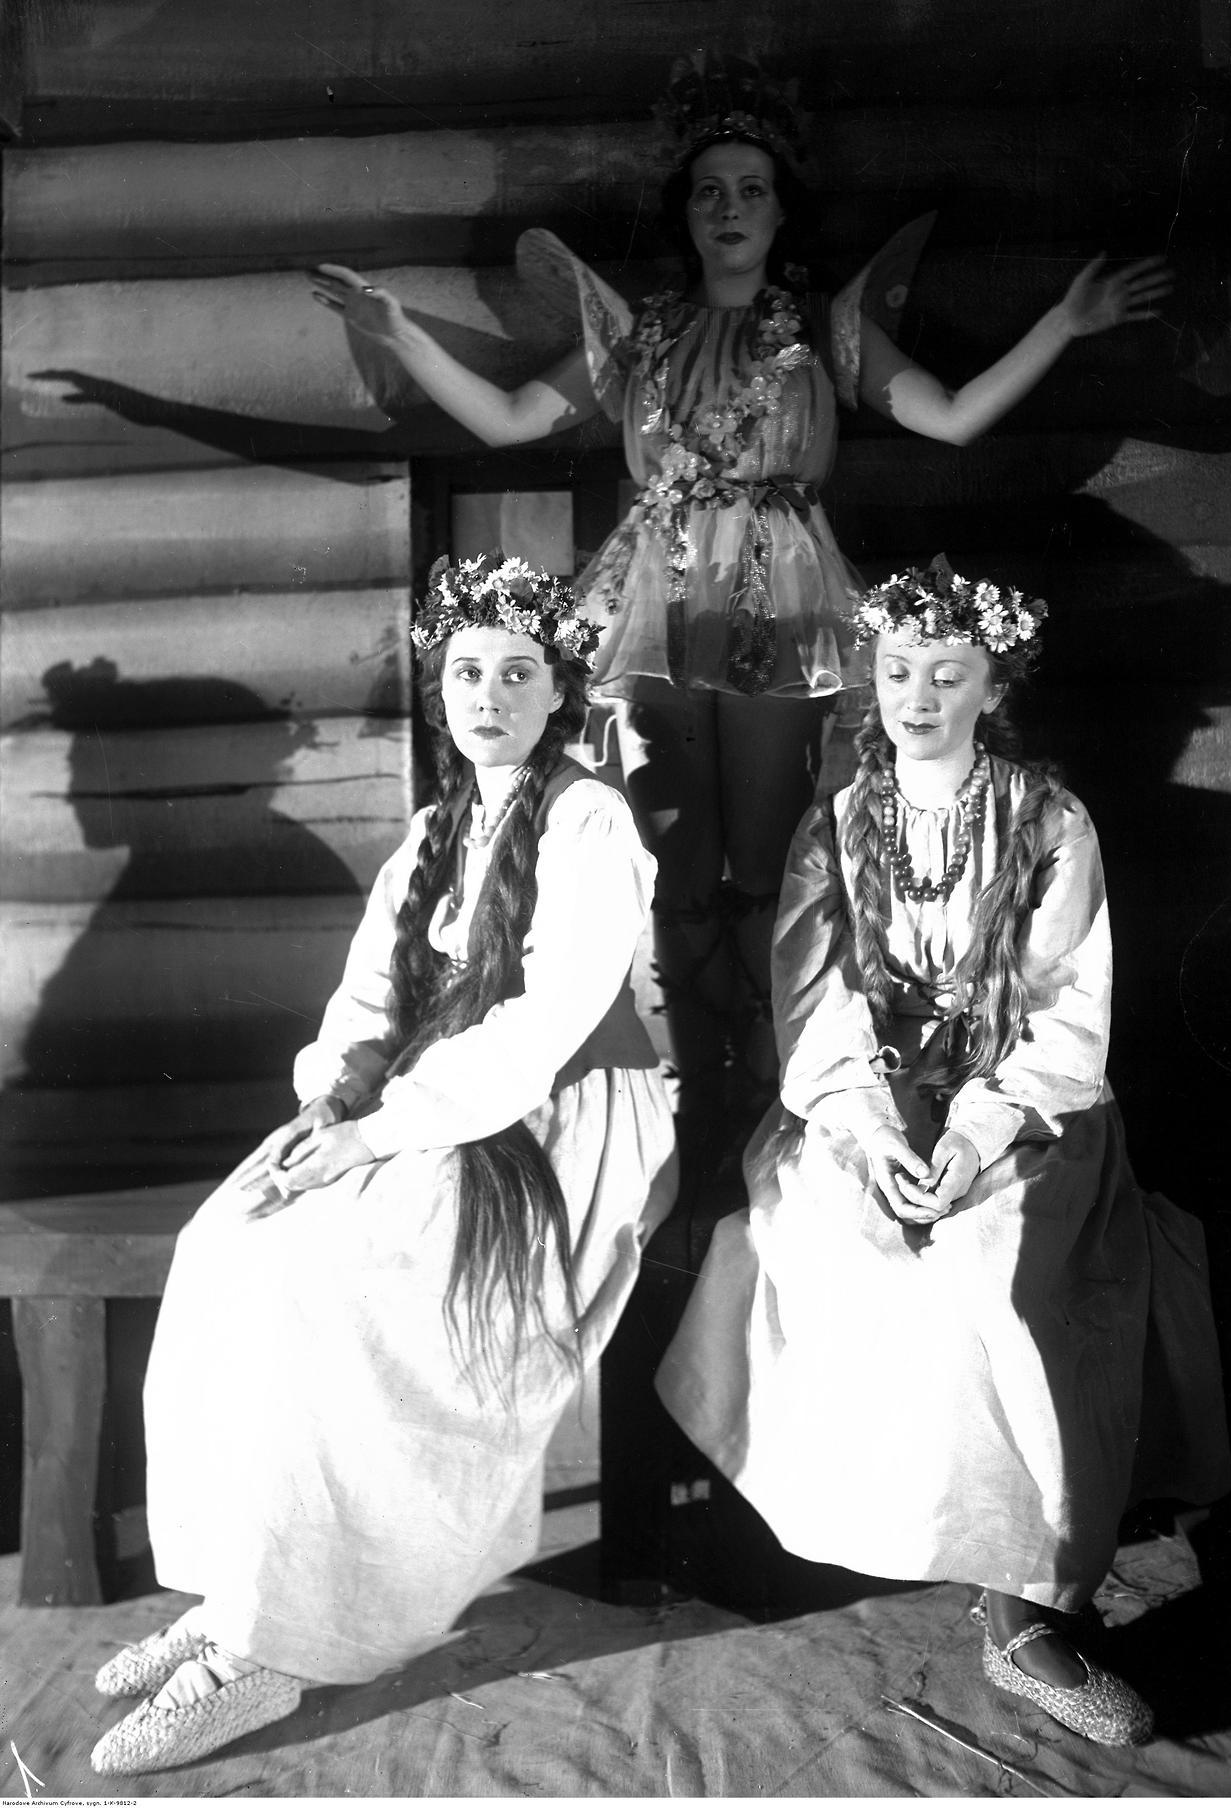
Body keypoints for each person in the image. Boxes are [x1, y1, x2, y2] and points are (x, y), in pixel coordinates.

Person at [308, 50, 1173, 1139]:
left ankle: (776, 1106)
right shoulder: (641, 334)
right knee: (666, 854)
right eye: (708, 190)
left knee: (764, 860)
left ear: (778, 210)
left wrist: (1062, 323)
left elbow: (948, 416)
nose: (728, 209)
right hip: (649, 603)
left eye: (749, 189)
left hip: (784, 602)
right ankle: (684, 1110)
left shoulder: (825, 329)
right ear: (687, 210)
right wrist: (399, 333)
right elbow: (511, 418)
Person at [89, 552, 678, 1777]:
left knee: (328, 1278)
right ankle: (244, 1590)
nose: (488, 694)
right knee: (227, 1241)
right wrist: (329, 1102)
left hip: (552, 1113)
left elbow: (539, 1029)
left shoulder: (589, 819)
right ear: (440, 688)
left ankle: (286, 1644)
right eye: (467, 671)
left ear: (558, 693)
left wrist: (378, 1131)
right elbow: (367, 994)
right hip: (418, 1098)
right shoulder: (432, 827)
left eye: (518, 673)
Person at [653, 556, 1231, 1746]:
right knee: (839, 1239)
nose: (916, 693)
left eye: (946, 671)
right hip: (861, 1098)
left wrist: (972, 1134)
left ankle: (1018, 1606)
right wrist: (871, 1135)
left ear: (989, 683)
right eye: (897, 667)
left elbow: (1071, 1007)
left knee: (988, 1268)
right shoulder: (841, 818)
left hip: (1020, 1104)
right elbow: (811, 1005)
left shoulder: (1046, 819)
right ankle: (875, 1525)